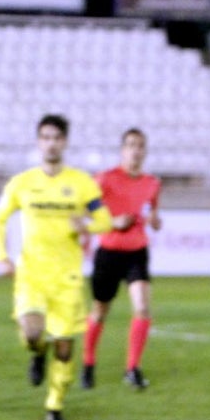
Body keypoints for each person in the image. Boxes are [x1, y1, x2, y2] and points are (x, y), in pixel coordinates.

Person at [0, 114, 130, 420]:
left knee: (65, 346)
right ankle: (37, 353)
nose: (51, 143)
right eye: (45, 137)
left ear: (64, 142)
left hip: (67, 278)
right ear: (39, 142)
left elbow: (106, 221)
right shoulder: (22, 183)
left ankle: (54, 406)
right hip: (31, 274)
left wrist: (87, 224)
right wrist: (1, 256)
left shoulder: (81, 183)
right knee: (32, 333)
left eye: (56, 138)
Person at [82, 128, 162, 390]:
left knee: (142, 307)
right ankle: (88, 362)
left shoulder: (152, 183)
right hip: (109, 252)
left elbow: (151, 211)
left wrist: (154, 221)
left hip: (137, 252)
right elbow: (85, 211)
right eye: (130, 145)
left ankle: (132, 368)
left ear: (145, 151)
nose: (135, 150)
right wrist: (112, 222)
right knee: (99, 311)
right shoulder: (104, 179)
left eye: (140, 145)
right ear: (122, 150)